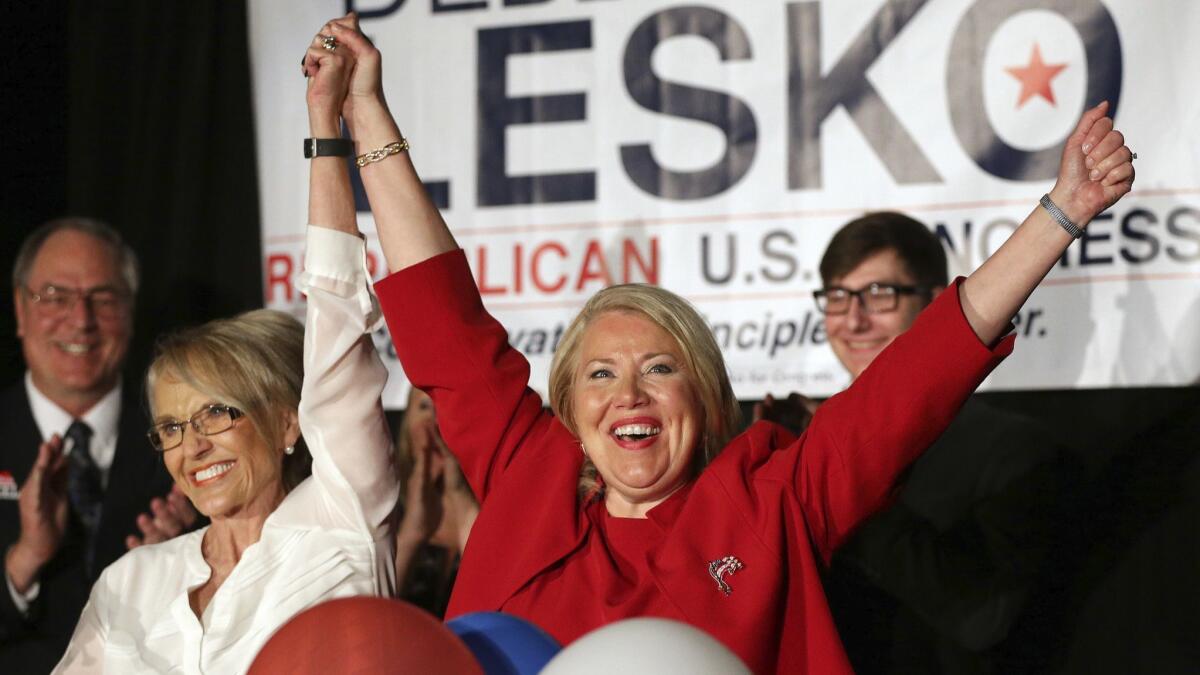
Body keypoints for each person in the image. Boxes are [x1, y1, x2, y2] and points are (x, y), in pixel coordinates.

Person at [317, 13, 1134, 673]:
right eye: (600, 373)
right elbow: (441, 322)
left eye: (659, 368)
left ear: (703, 398)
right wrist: (367, 115)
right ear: (568, 408)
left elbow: (908, 387)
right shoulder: (527, 477)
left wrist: (1059, 215)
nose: (628, 394)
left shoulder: (769, 504)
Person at [51, 41, 399, 671]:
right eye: (173, 428)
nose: (194, 446)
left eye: (217, 413)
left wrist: (325, 127)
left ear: (288, 419)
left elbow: (338, 314)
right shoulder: (129, 583)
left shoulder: (340, 523)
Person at [762, 212, 1081, 673]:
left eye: (878, 294)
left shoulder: (1010, 450)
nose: (854, 319)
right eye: (837, 297)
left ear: (935, 305)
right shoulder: (803, 443)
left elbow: (983, 618)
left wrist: (841, 478)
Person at [0, 218, 184, 672]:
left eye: (102, 300)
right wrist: (22, 562)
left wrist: (188, 566)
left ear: (131, 310)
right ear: (20, 311)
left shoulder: (190, 435)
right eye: (55, 298)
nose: (80, 321)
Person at [392, 388, 478, 616]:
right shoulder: (387, 511)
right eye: (424, 407)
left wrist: (457, 492)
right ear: (407, 427)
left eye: (445, 410)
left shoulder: (490, 505)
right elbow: (374, 608)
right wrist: (412, 532)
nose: (434, 423)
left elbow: (497, 578)